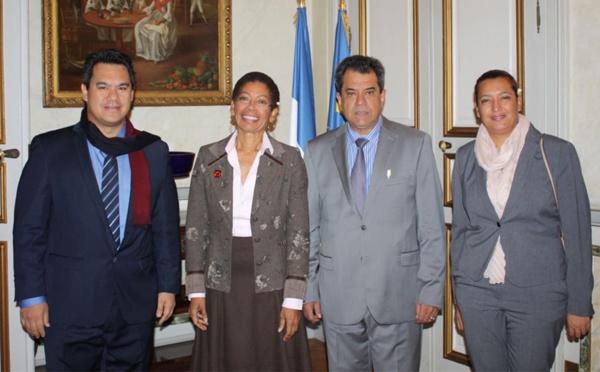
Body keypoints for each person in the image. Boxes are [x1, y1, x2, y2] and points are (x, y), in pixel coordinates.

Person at [13, 49, 181, 370]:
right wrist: (32, 297)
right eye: (102, 86)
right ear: (84, 91)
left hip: (134, 305)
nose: (112, 97)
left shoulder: (153, 151)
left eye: (122, 87)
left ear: (132, 93)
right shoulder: (50, 150)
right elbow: (29, 232)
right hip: (70, 304)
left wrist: (168, 286)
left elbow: (166, 228)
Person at [303, 55, 446, 371]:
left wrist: (431, 291)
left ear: (382, 96)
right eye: (351, 93)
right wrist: (309, 288)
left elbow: (432, 227)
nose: (361, 101)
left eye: (369, 91)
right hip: (338, 294)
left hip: (399, 293)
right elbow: (310, 228)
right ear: (339, 101)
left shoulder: (416, 145)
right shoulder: (316, 151)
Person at [451, 69, 593, 371]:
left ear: (518, 100)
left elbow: (578, 233)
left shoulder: (555, 153)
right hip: (477, 292)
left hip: (537, 293)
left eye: (504, 97)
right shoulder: (464, 158)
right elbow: (461, 232)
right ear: (477, 109)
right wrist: (458, 297)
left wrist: (580, 304)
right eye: (486, 100)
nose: (496, 108)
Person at [185, 71, 312, 371]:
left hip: (273, 283)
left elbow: (299, 232)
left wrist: (293, 300)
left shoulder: (290, 160)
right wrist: (195, 291)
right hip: (220, 284)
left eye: (261, 102)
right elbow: (195, 228)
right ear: (232, 107)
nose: (251, 108)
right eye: (244, 99)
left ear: (273, 112)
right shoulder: (208, 157)